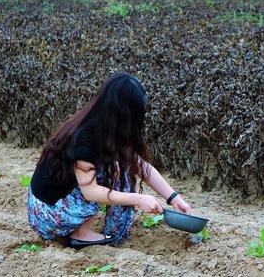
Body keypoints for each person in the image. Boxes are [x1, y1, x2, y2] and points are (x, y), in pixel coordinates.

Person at [27, 73, 192, 249]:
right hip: (47, 214)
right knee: (113, 172)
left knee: (123, 167)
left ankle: (111, 232)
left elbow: (141, 166)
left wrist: (173, 198)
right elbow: (91, 192)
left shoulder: (104, 131)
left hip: (58, 203)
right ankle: (81, 235)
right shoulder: (84, 139)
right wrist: (138, 199)